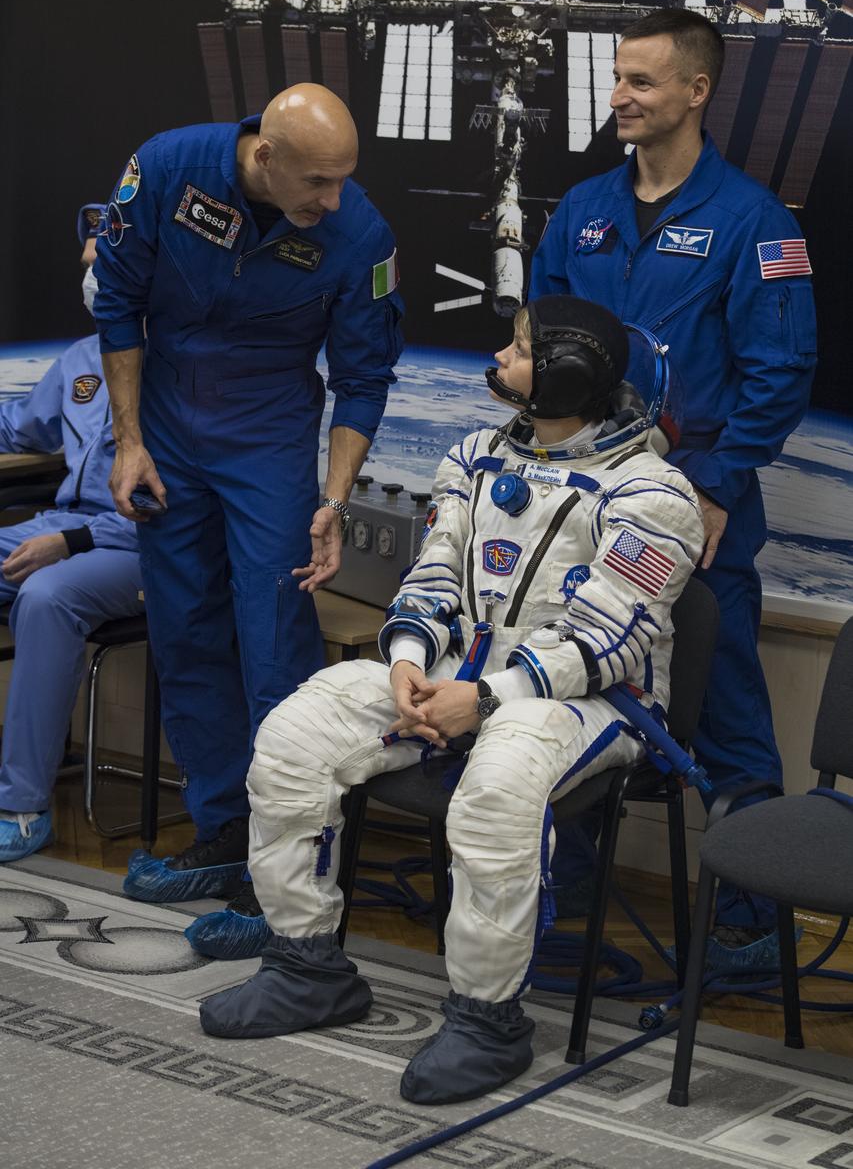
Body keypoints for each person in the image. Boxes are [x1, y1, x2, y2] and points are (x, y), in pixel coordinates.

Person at [197, 295, 705, 1105]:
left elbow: (608, 643)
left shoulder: (654, 495)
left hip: (596, 704)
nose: (501, 358)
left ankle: (486, 1019)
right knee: (299, 731)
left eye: (520, 348)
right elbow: (430, 578)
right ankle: (305, 967)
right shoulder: (473, 457)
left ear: (567, 375)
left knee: (498, 785)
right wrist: (405, 664)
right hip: (455, 676)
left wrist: (486, 699)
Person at [529, 9, 817, 968]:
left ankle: (749, 923)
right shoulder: (582, 213)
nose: (619, 96)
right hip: (583, 507)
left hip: (697, 513)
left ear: (696, 92)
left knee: (723, 710)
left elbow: (778, 375)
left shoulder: (752, 224)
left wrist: (716, 490)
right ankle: (559, 889)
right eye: (617, 78)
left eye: (642, 82)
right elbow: (545, 352)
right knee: (568, 695)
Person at [91, 85, 404, 956]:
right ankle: (225, 830)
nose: (330, 201)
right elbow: (116, 301)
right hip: (165, 426)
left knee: (275, 642)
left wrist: (332, 500)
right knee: (185, 629)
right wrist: (127, 443)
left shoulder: (359, 234)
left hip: (266, 431)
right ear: (263, 157)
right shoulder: (166, 169)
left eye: (344, 181)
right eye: (316, 182)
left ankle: (295, 860)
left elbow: (363, 376)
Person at [0, 205, 143, 861]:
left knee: (48, 596)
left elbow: (179, 505)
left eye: (100, 263)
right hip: (66, 522)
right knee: (43, 579)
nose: (87, 273)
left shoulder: (180, 361)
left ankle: (22, 808)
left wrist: (72, 544)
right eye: (85, 262)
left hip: (141, 545)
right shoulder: (83, 355)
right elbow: (24, 428)